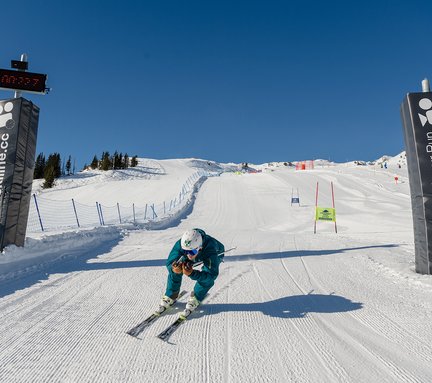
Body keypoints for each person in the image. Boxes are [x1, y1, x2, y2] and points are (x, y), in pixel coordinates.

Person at [158, 228, 225, 317]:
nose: (189, 254)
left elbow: (210, 275)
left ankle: (196, 297)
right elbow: (170, 262)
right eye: (186, 251)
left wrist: (192, 273)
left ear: (199, 247)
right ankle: (171, 295)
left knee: (207, 280)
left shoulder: (210, 250)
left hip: (213, 253)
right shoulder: (182, 244)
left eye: (192, 251)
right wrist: (174, 268)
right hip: (196, 253)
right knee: (176, 267)